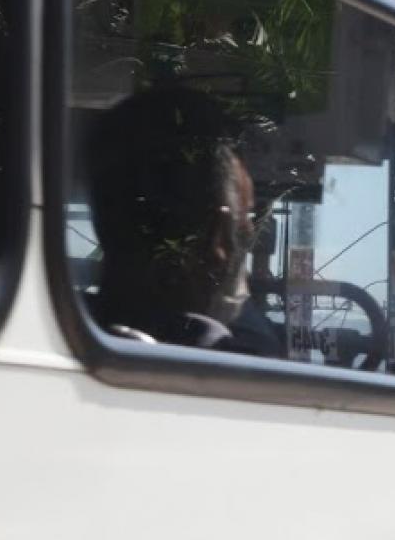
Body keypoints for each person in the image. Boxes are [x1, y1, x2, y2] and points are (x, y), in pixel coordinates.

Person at [85, 86, 283, 355]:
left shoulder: (71, 327)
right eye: (247, 217)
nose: (250, 230)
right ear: (219, 236)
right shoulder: (240, 362)